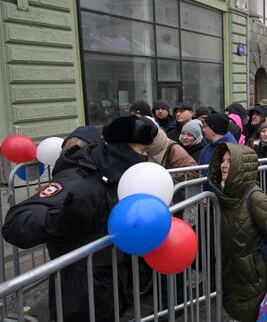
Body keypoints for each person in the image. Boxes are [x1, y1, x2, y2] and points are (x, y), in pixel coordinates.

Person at [2, 115, 158, 322]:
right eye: (141, 151)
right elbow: (16, 224)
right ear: (122, 149)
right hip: (79, 289)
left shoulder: (114, 175)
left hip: (108, 281)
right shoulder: (79, 179)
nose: (144, 157)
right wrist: (64, 217)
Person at [207, 143, 267, 322]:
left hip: (254, 277)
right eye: (222, 160)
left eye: (230, 161)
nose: (223, 165)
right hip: (233, 273)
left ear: (241, 168)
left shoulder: (257, 199)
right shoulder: (223, 195)